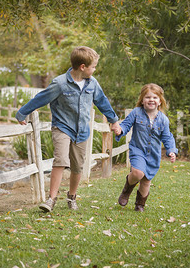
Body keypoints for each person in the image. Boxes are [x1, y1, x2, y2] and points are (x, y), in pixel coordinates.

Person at [16, 46, 121, 212]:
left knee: (77, 166)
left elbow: (102, 102)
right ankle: (51, 199)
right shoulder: (60, 83)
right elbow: (41, 99)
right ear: (83, 67)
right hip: (62, 127)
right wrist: (22, 112)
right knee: (61, 161)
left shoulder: (92, 83)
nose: (94, 69)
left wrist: (114, 121)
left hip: (82, 131)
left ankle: (71, 197)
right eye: (93, 66)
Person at [115, 83, 178, 212]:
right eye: (148, 97)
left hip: (153, 154)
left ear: (160, 101)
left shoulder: (163, 120)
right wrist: (120, 130)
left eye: (155, 98)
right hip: (138, 149)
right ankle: (127, 189)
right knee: (138, 173)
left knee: (146, 180)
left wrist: (171, 150)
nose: (151, 100)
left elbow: (167, 137)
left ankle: (140, 205)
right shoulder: (136, 113)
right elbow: (126, 125)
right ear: (142, 100)